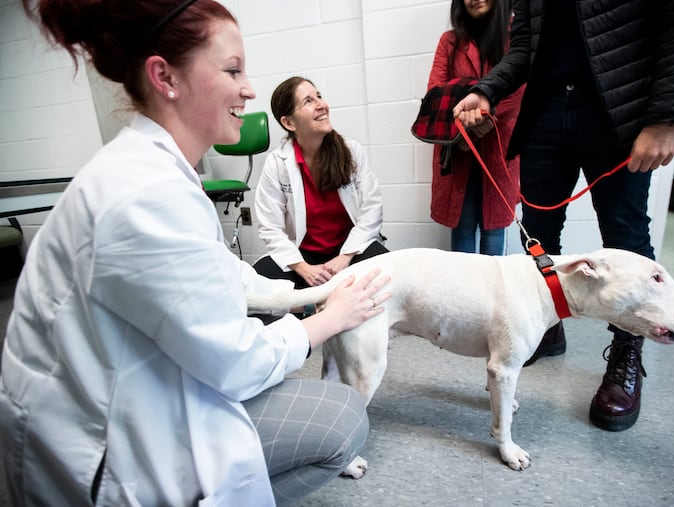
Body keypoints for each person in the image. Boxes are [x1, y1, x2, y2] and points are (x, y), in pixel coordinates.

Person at [0, 1, 390, 505]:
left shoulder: (155, 169)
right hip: (102, 447)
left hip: (124, 389)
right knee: (342, 422)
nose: (249, 88)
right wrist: (329, 317)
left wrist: (319, 290)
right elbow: (238, 362)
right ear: (166, 77)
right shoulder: (146, 194)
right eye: (233, 70)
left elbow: (225, 272)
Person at [454, 0, 674, 431]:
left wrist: (669, 113)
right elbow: (524, 45)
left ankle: (626, 352)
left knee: (626, 235)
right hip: (544, 112)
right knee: (538, 234)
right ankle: (548, 327)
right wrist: (487, 88)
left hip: (617, 108)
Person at [253, 76, 388, 290]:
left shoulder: (351, 151)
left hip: (350, 249)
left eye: (319, 96)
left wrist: (344, 257)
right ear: (289, 123)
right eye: (308, 101)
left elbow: (372, 210)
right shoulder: (277, 163)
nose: (321, 105)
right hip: (303, 255)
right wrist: (302, 267)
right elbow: (269, 226)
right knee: (260, 283)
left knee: (388, 275)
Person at [426, 0, 523, 255]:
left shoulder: (515, 37)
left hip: (500, 146)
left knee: (495, 229)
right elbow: (434, 92)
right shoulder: (449, 41)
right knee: (462, 226)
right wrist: (464, 127)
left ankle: (492, 295)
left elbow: (520, 90)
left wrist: (484, 117)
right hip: (458, 148)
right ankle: (463, 294)